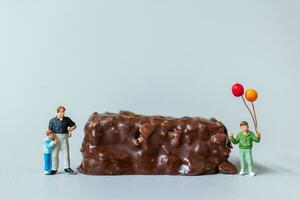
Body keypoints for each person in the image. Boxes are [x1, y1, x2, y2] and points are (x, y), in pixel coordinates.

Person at [48, 106, 77, 175]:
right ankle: (54, 169)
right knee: (54, 155)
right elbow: (50, 131)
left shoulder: (67, 119)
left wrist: (70, 130)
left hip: (64, 138)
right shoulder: (52, 120)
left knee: (66, 154)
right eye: (61, 112)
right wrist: (52, 139)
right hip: (56, 138)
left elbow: (74, 125)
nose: (63, 113)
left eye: (64, 112)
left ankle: (67, 167)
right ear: (58, 112)